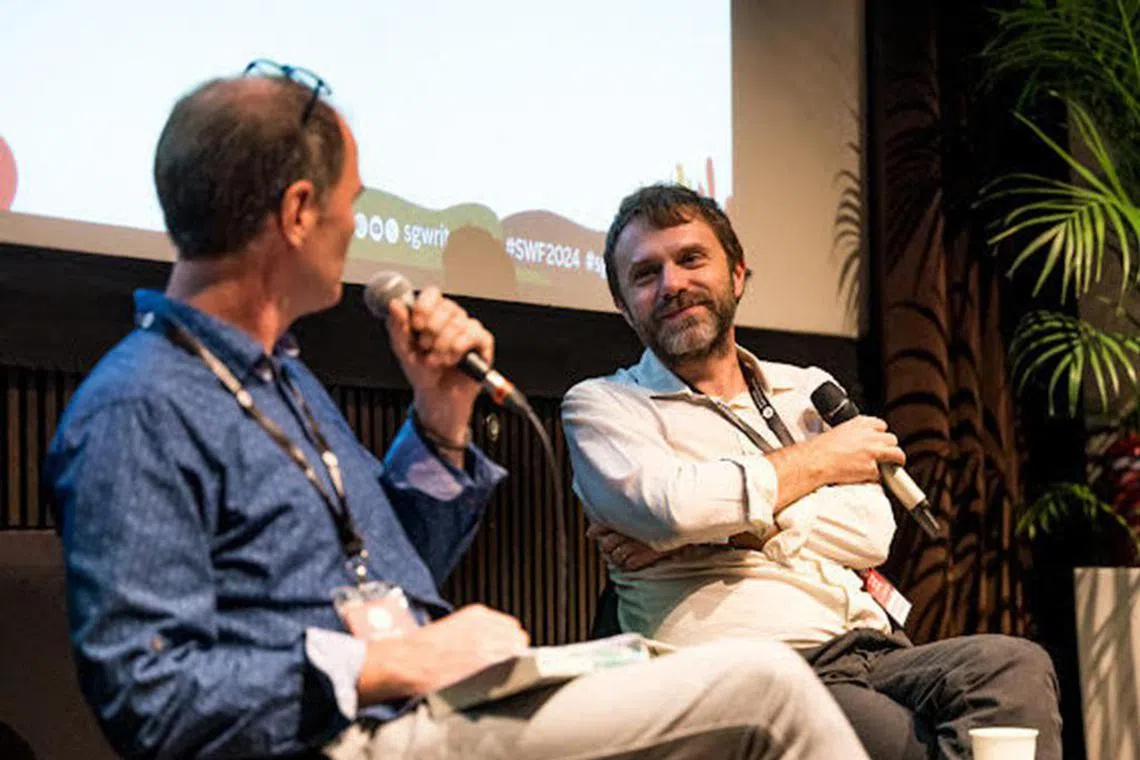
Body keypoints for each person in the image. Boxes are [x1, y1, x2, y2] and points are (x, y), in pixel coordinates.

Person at [44, 67, 872, 760]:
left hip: (415, 707)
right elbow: (147, 696)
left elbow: (394, 568)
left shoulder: (280, 383)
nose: (354, 224)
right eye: (350, 201)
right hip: (346, 734)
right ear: (299, 212)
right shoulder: (139, 406)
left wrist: (441, 420)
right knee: (765, 689)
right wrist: (385, 662)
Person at [561, 183, 1064, 760]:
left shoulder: (804, 388)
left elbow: (870, 530)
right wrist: (819, 464)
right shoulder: (603, 405)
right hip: (746, 664)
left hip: (868, 646)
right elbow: (669, 507)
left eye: (691, 259)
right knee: (902, 740)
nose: (672, 284)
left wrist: (731, 526)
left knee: (1015, 668)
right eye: (646, 274)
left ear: (738, 276)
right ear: (624, 306)